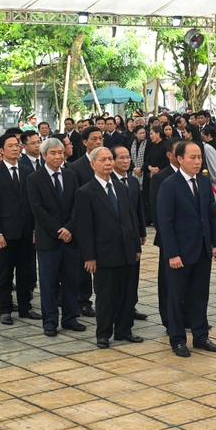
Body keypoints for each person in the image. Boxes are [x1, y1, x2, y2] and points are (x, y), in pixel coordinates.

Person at [157, 140, 216, 357]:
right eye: (192, 157)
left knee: (199, 295)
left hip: (202, 250)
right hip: (180, 253)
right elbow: (165, 223)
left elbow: (212, 215)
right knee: (176, 297)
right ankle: (177, 339)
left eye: (199, 157)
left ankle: (201, 335)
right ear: (180, 159)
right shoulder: (169, 185)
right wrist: (172, 254)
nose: (197, 161)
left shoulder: (203, 182)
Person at [75, 147, 143, 349]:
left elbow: (131, 219)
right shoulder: (85, 192)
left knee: (127, 294)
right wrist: (89, 257)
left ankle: (124, 330)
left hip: (127, 251)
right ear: (92, 164)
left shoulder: (122, 187)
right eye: (103, 159)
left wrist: (136, 246)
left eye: (109, 159)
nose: (107, 162)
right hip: (104, 253)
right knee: (106, 295)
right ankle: (103, 333)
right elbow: (84, 228)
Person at [26, 138, 85, 336]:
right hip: (48, 239)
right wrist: (58, 230)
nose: (58, 156)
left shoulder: (70, 175)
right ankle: (50, 321)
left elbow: (78, 205)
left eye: (60, 152)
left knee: (71, 280)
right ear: (43, 156)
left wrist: (70, 229)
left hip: (71, 238)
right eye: (53, 153)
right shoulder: (34, 179)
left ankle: (70, 318)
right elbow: (38, 209)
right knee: (49, 282)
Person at [0, 133, 40, 325]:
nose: (15, 148)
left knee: (26, 272)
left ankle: (25, 306)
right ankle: (5, 309)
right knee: (5, 272)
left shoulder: (27, 172)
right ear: (1, 150)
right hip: (5, 233)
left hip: (26, 231)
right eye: (10, 146)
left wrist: (34, 229)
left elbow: (33, 203)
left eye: (17, 145)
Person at [68, 126, 104, 317]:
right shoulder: (75, 167)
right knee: (84, 265)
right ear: (85, 142)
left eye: (101, 138)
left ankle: (106, 299)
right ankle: (83, 301)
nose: (98, 142)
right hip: (84, 224)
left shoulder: (108, 163)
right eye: (94, 139)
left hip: (105, 224)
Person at [111, 145, 148, 321]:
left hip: (132, 235)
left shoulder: (132, 180)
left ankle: (131, 305)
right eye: (122, 158)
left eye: (128, 158)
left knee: (134, 273)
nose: (126, 161)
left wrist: (142, 231)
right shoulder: (108, 181)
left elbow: (138, 208)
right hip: (115, 237)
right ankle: (117, 307)